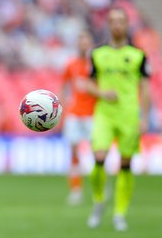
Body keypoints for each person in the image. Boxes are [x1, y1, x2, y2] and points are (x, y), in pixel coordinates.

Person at [86, 7, 151, 231]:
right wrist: (102, 93)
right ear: (108, 25)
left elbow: (145, 88)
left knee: (125, 165)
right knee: (99, 158)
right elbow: (88, 84)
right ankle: (99, 200)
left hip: (129, 116)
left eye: (120, 21)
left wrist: (144, 117)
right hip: (104, 114)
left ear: (126, 25)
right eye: (112, 21)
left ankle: (119, 213)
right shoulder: (97, 54)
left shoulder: (138, 56)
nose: (116, 25)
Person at [60, 30, 96, 206]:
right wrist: (61, 110)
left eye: (86, 40)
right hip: (74, 113)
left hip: (93, 114)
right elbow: (64, 86)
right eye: (80, 40)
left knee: (98, 152)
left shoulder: (96, 64)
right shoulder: (71, 64)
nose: (83, 44)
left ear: (90, 43)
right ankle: (76, 190)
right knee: (73, 151)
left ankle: (100, 187)